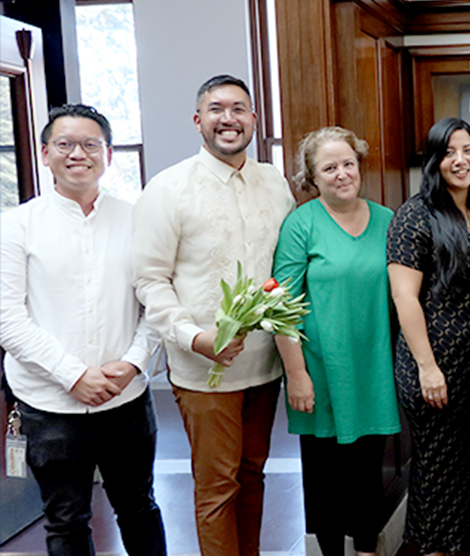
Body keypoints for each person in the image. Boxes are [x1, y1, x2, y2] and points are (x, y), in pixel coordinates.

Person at [132, 75, 295, 556]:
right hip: (204, 369)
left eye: (240, 109)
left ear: (254, 119)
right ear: (198, 120)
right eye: (217, 109)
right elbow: (149, 281)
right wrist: (194, 337)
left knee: (253, 474)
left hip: (264, 363)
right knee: (218, 486)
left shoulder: (274, 181)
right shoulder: (168, 189)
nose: (229, 119)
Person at [0, 104, 165, 556]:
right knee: (67, 521)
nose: (79, 154)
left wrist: (134, 363)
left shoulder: (136, 220)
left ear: (108, 153)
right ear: (44, 152)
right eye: (65, 144)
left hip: (125, 397)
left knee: (138, 507)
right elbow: (7, 319)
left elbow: (157, 305)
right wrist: (73, 374)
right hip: (49, 402)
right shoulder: (16, 226)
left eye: (91, 144)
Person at [273, 127, 401, 556]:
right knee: (325, 477)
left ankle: (366, 550)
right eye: (330, 167)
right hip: (320, 371)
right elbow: (281, 306)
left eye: (348, 163)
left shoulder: (387, 220)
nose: (342, 174)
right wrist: (296, 375)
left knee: (367, 473)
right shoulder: (300, 224)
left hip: (374, 368)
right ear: (313, 177)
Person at [387, 118, 470, 554]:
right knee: (438, 469)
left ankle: (466, 544)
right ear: (434, 161)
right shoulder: (413, 215)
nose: (461, 160)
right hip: (432, 365)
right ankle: (435, 549)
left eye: (468, 150)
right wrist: (427, 367)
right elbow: (405, 298)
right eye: (449, 152)